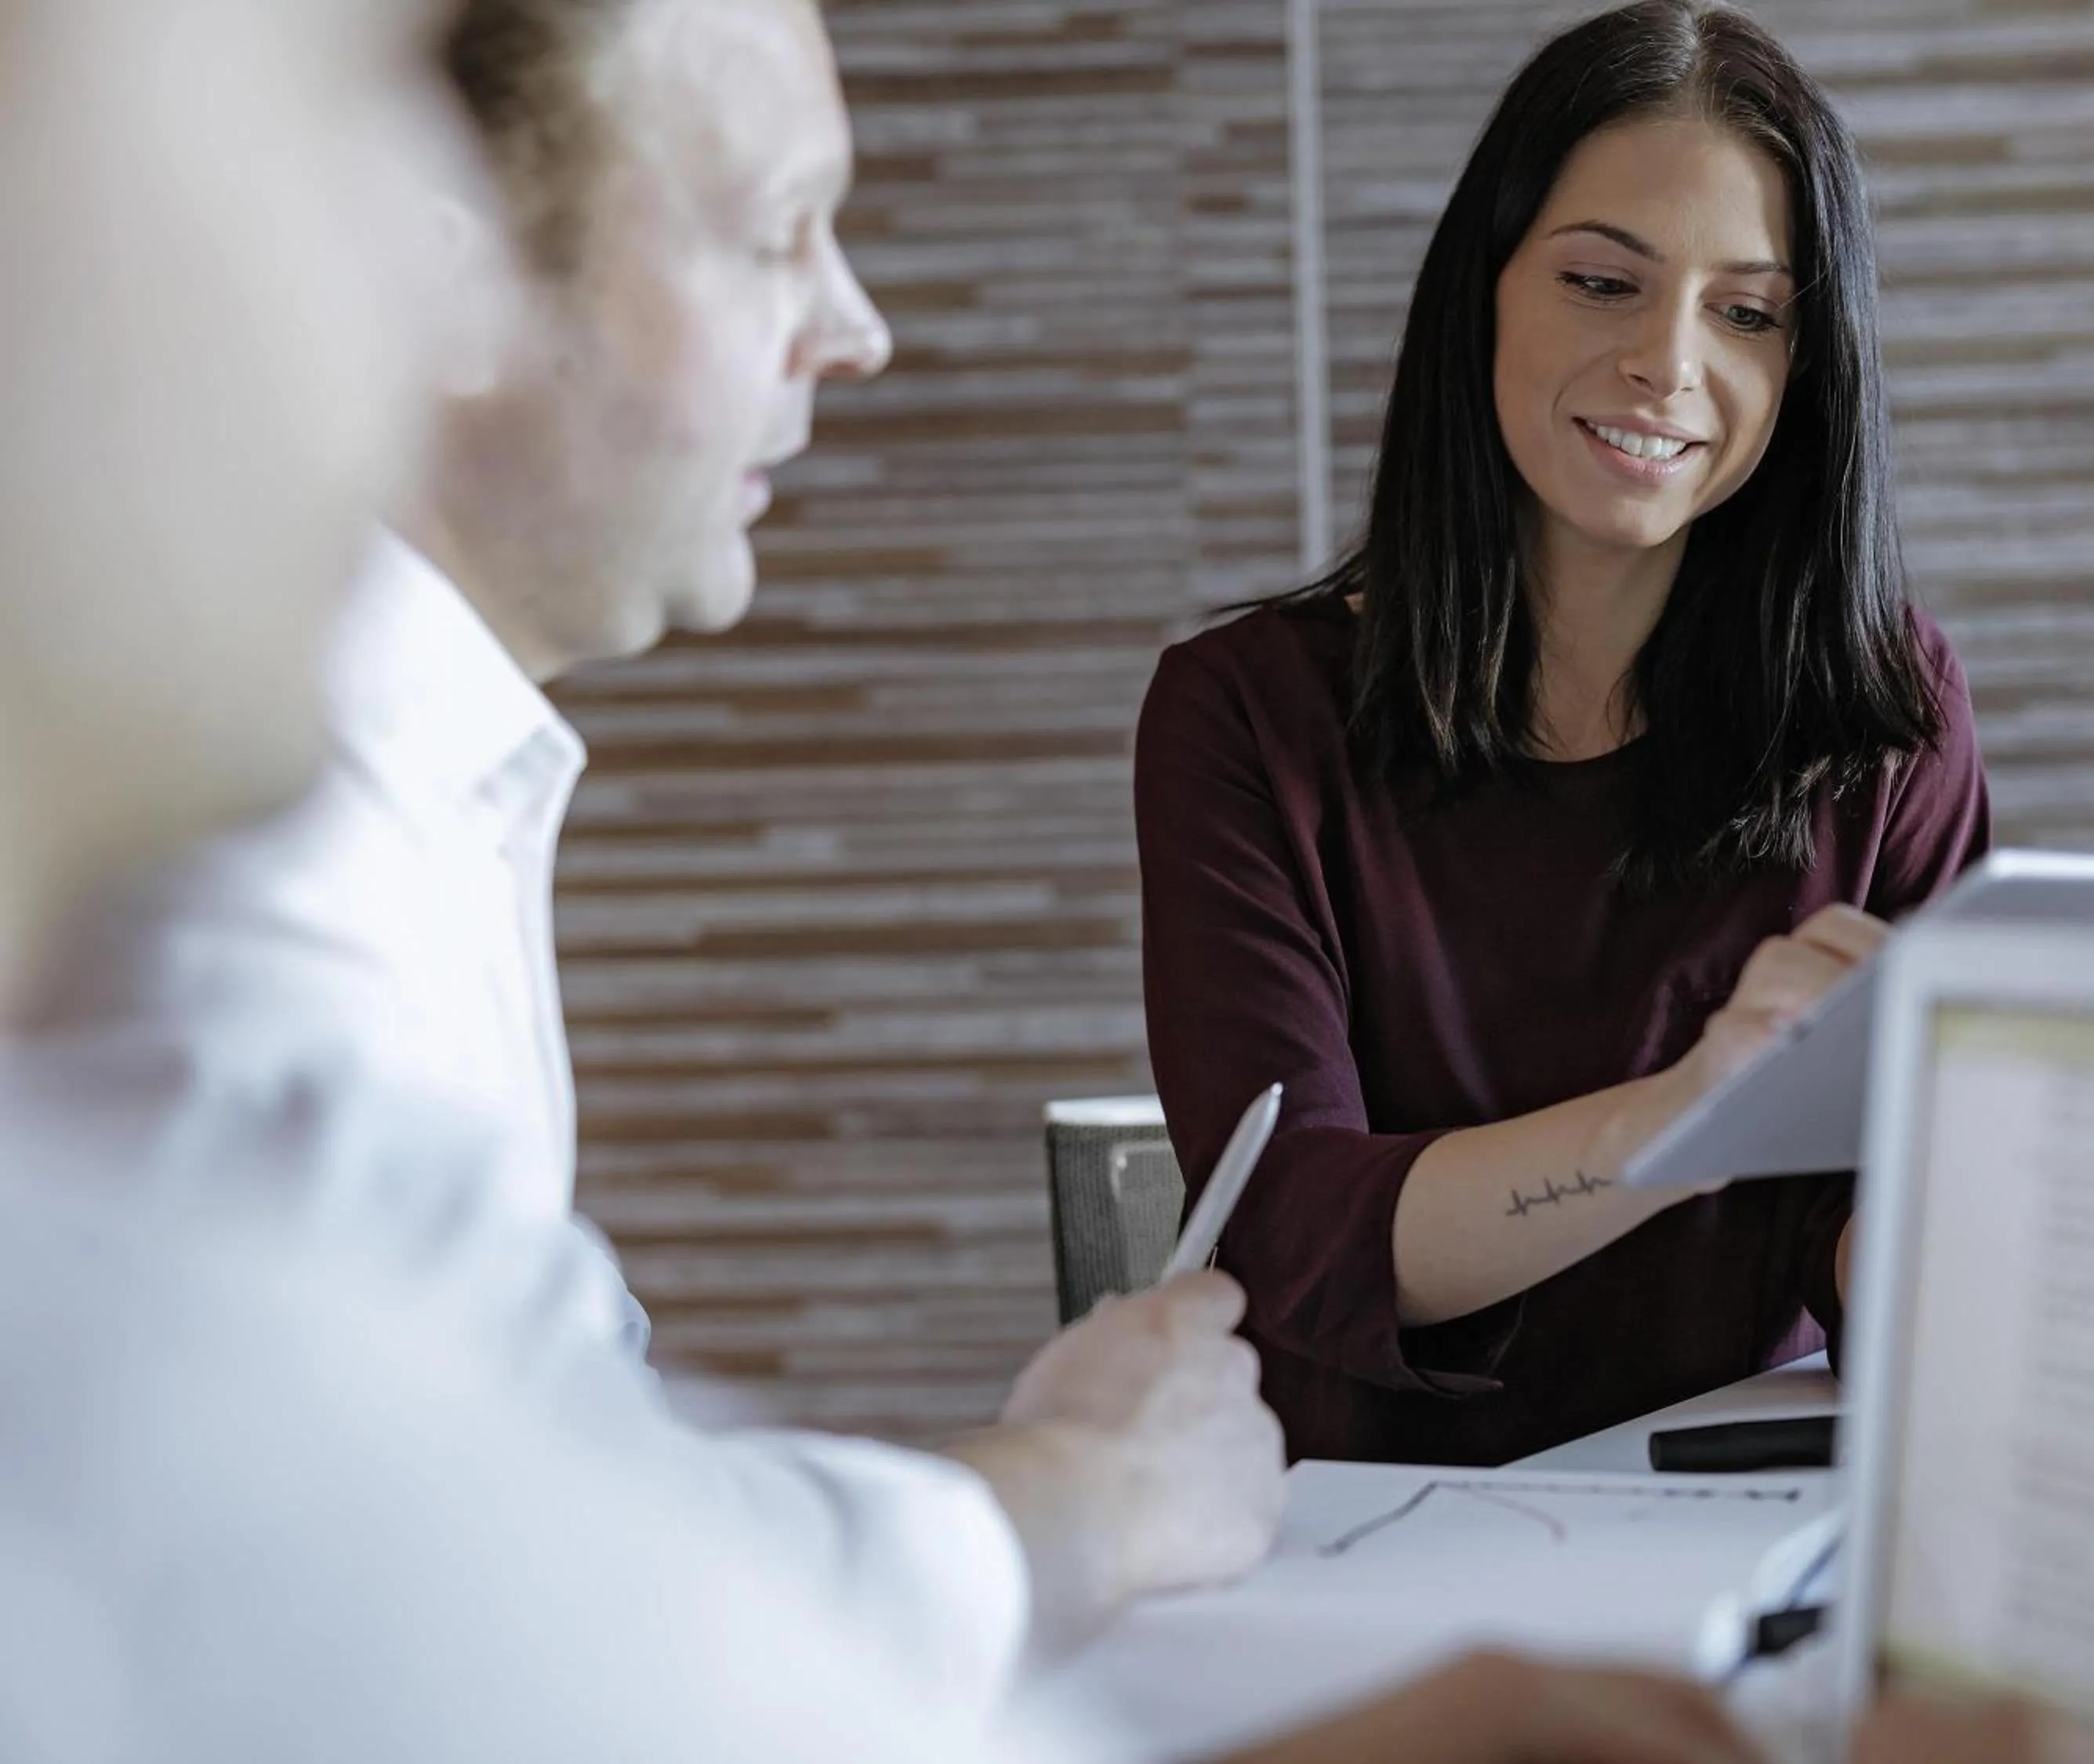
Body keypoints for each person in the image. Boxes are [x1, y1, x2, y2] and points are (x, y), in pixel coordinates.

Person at [24, 0, 1287, 1681]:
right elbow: (488, 1619)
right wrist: (1087, 1492)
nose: (857, 331)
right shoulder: (259, 879)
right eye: (776, 234)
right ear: (435, 263)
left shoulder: (435, 793)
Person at [1134, 0, 1993, 1467]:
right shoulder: (1247, 714)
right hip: (1364, 1545)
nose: (1668, 363)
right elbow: (1295, 1229)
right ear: (1485, 291)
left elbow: (1869, 1224)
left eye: (1747, 313)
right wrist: (1695, 1115)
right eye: (1604, 281)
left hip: (1740, 1519)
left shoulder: (1885, 711)